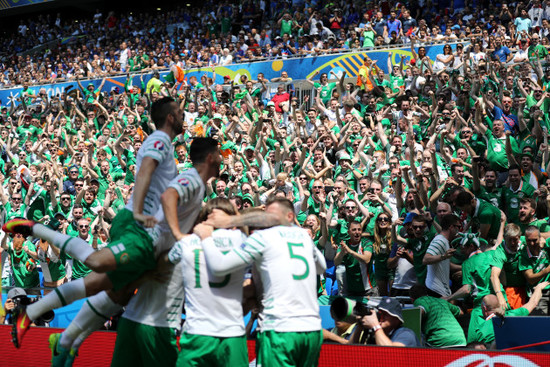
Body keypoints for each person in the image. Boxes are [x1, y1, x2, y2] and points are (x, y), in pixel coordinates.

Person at [4, 96, 184, 349]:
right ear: (169, 117)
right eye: (180, 111)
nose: (184, 114)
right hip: (137, 225)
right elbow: (145, 170)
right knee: (97, 266)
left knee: (115, 290)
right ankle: (34, 228)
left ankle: (60, 337)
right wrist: (142, 210)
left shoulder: (164, 142)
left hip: (148, 230)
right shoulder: (160, 139)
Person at [195, 196, 326, 367]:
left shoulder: (262, 238)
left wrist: (206, 238)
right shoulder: (303, 235)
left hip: (279, 329)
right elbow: (321, 268)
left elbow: (219, 266)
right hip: (312, 330)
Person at [164, 198, 248, 366]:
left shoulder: (186, 243)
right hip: (231, 332)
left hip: (197, 331)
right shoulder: (240, 238)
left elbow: (164, 264)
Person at [350, 297, 420, 347]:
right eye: (380, 313)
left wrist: (375, 325)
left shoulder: (406, 334)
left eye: (385, 314)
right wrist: (360, 326)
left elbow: (391, 353)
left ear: (397, 319)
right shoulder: (376, 333)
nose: (381, 317)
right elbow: (349, 350)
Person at [422, 214, 461, 297]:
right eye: (458, 227)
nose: (458, 230)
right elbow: (426, 259)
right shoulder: (440, 240)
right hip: (435, 290)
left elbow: (446, 264)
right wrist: (443, 256)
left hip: (442, 291)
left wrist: (464, 267)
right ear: (451, 227)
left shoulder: (445, 241)